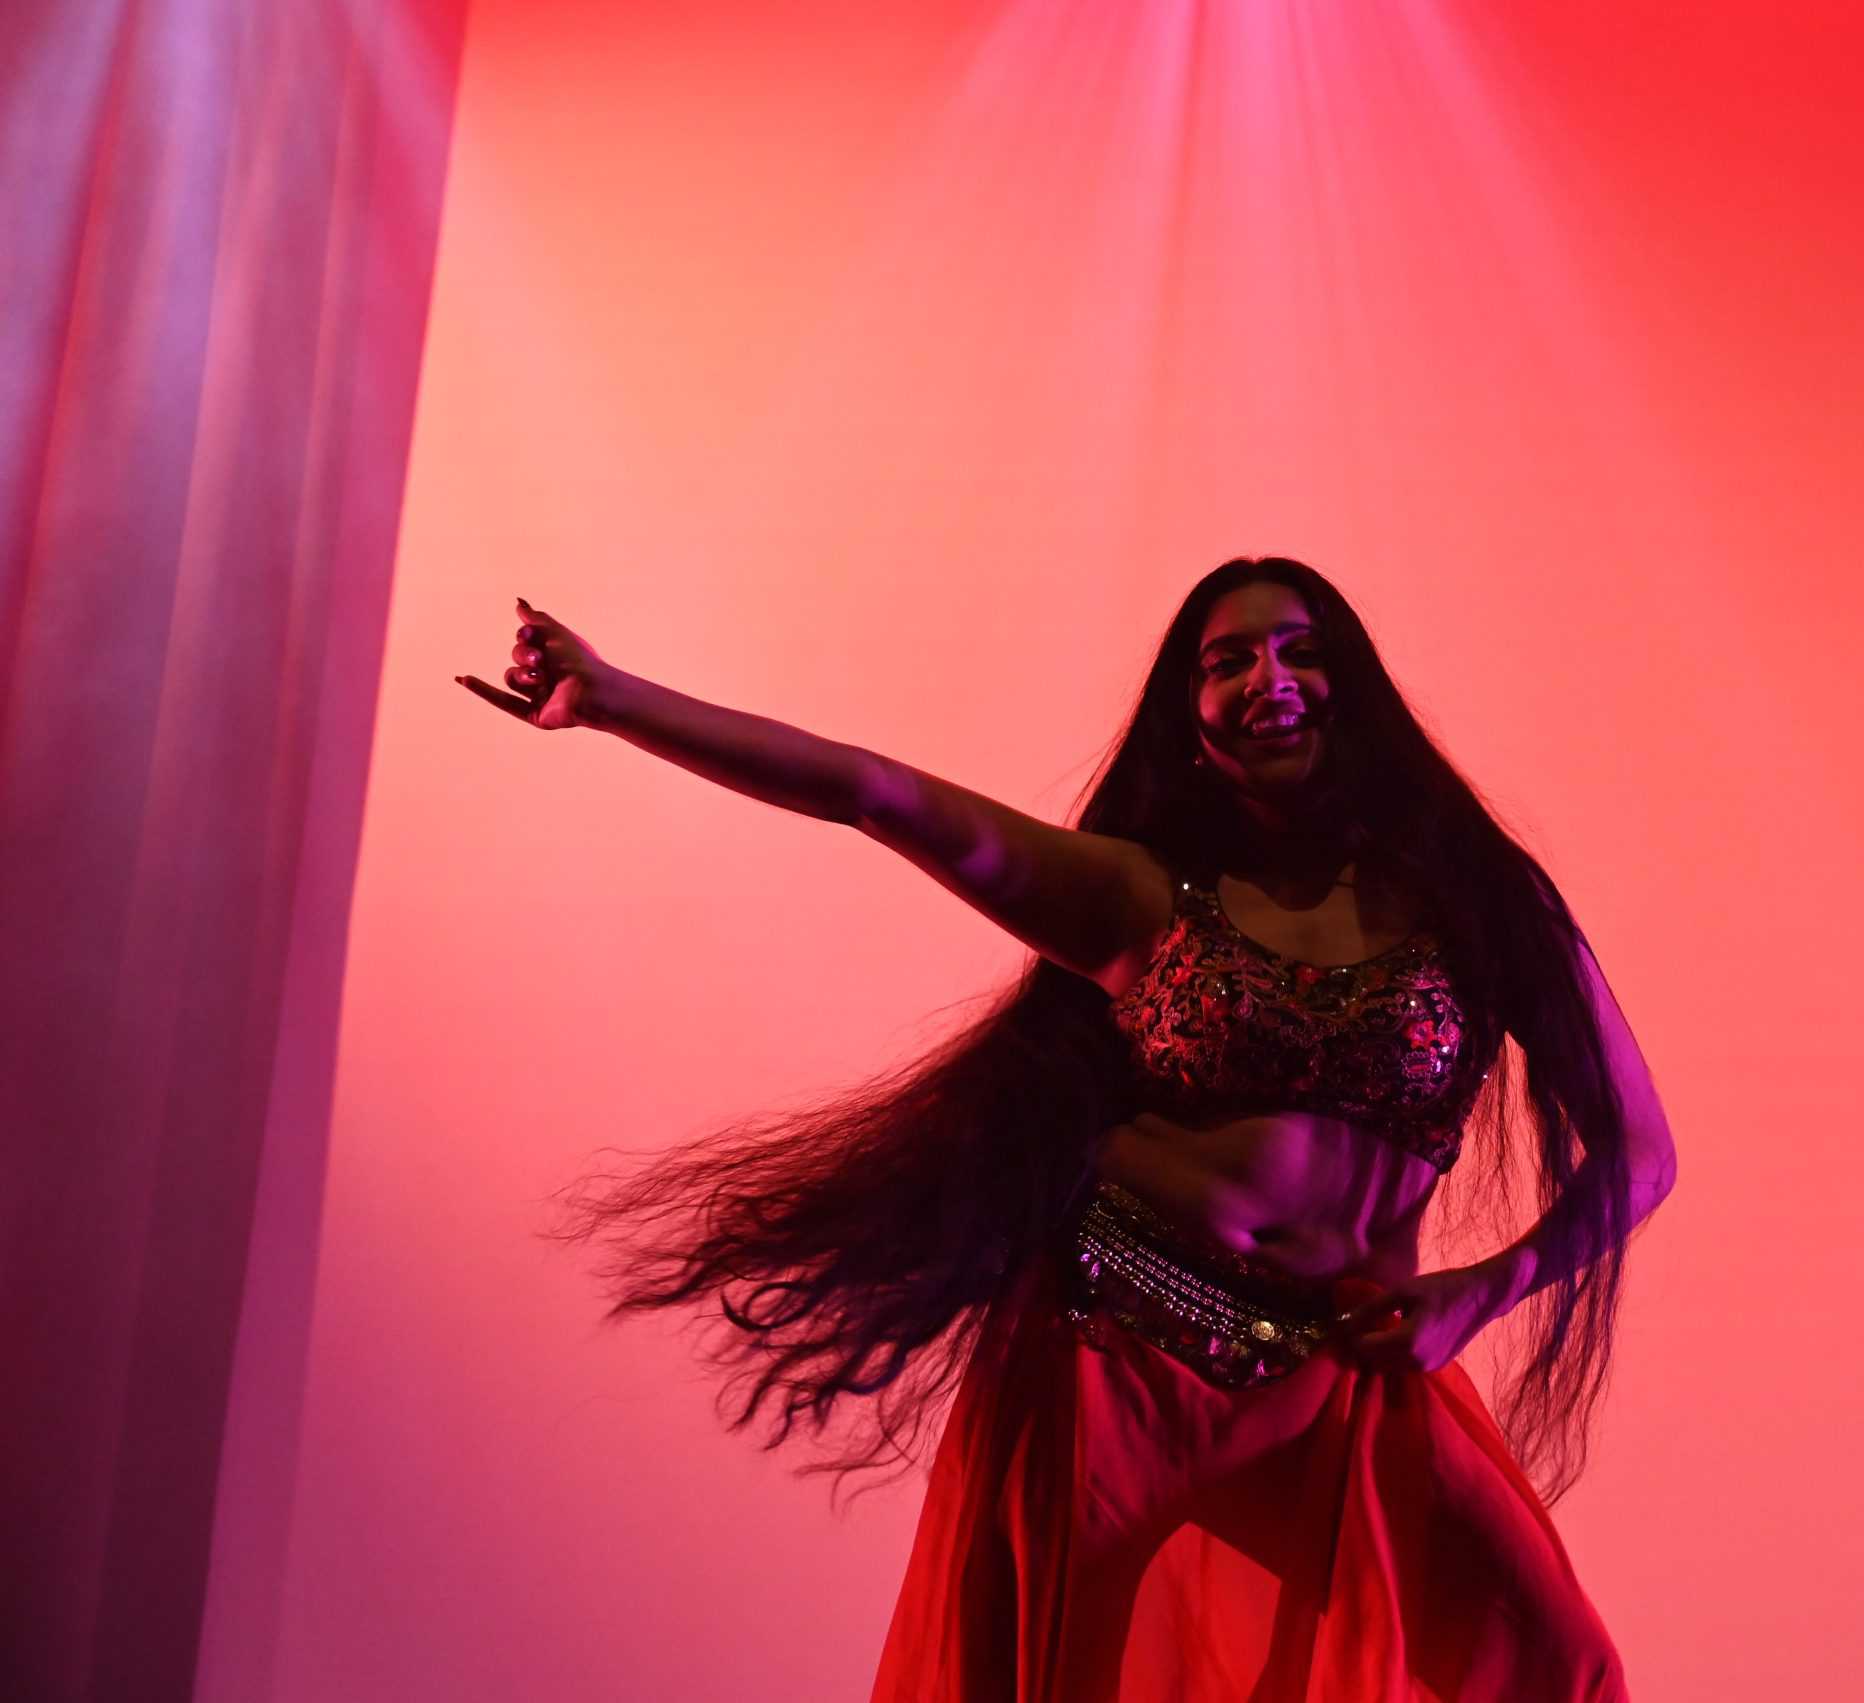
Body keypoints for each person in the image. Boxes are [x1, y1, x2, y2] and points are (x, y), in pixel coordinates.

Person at [458, 555, 1677, 1700]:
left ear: (1354, 687)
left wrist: (1478, 1291)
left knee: (1554, 1661)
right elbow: (872, 791)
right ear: (1189, 719)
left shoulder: (1479, 905)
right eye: (1227, 660)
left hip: (1339, 1368)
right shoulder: (1133, 895)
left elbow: (1638, 1152)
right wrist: (611, 700)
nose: (1269, 678)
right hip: (1113, 1343)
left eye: (1300, 650)